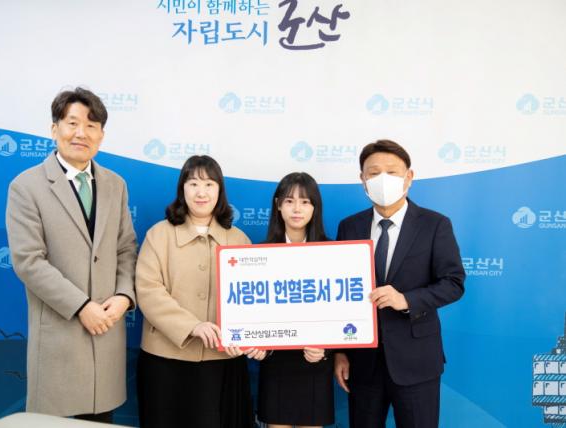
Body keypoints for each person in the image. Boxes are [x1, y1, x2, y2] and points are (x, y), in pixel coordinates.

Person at [5, 87, 137, 422]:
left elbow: (125, 248)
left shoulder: (115, 185)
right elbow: (28, 261)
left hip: (106, 338)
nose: (81, 133)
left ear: (101, 135)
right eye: (73, 123)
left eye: (92, 125)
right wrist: (81, 306)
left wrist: (124, 296)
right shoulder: (27, 186)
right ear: (55, 129)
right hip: (60, 342)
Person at [334, 140, 465, 428]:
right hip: (363, 363)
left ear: (409, 177)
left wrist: (406, 300)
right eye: (373, 173)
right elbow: (340, 293)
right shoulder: (349, 227)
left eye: (392, 172)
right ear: (362, 180)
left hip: (416, 360)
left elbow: (454, 283)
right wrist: (340, 352)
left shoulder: (435, 224)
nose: (383, 179)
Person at [135, 155, 266, 428]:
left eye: (209, 184)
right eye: (193, 183)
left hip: (223, 360)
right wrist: (192, 326)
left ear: (220, 190)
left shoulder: (238, 239)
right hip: (165, 360)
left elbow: (254, 297)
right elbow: (148, 290)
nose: (201, 192)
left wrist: (253, 337)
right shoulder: (159, 234)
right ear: (182, 189)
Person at [257, 172, 334, 428]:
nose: (297, 209)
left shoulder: (334, 253)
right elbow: (253, 313)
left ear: (315, 207)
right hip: (276, 364)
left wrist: (326, 349)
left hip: (316, 362)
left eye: (305, 201)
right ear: (278, 205)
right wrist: (257, 344)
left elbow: (343, 312)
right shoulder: (260, 255)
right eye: (289, 201)